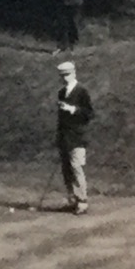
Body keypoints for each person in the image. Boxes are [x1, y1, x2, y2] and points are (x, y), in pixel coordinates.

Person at [55, 61, 93, 215]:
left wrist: (72, 109)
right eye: (62, 75)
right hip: (65, 136)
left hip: (77, 136)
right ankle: (73, 200)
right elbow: (60, 119)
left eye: (67, 74)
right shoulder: (61, 92)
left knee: (76, 167)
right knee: (66, 169)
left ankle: (82, 201)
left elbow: (89, 114)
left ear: (74, 73)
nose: (65, 78)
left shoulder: (82, 91)